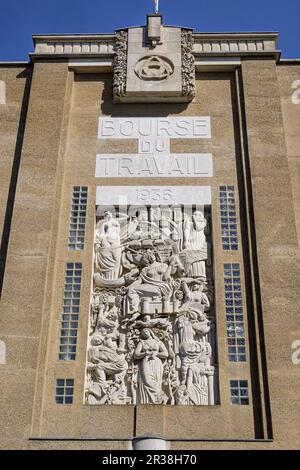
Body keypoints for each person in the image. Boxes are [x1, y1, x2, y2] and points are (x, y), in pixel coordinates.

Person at [134, 328, 168, 404]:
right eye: (143, 332)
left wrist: (157, 354)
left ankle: (158, 399)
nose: (145, 333)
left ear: (150, 332)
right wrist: (144, 354)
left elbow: (166, 354)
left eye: (146, 331)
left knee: (156, 381)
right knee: (146, 379)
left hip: (156, 362)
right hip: (146, 361)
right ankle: (161, 395)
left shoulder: (158, 342)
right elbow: (136, 355)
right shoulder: (142, 343)